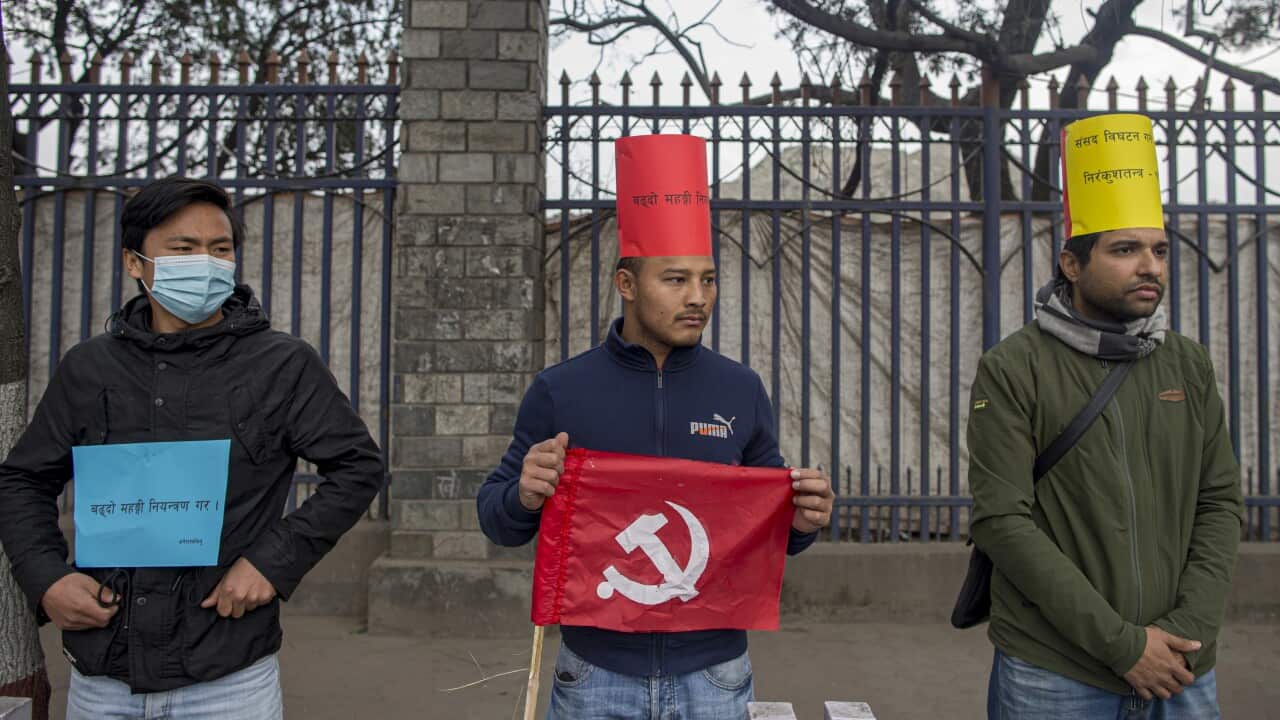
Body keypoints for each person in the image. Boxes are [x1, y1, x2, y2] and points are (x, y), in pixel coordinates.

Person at [477, 133, 834, 719]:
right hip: (595, 675)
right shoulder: (561, 390)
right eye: (675, 280)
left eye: (708, 279)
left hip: (715, 674)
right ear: (627, 285)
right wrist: (523, 493)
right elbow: (496, 519)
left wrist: (803, 517)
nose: (698, 298)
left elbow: (772, 532)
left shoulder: (739, 389)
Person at [0, 177, 385, 719]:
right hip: (102, 675)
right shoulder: (89, 368)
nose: (205, 262)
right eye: (183, 249)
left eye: (219, 249)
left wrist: (271, 564)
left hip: (229, 677)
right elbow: (24, 479)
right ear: (136, 263)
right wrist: (47, 578)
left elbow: (357, 468)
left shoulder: (282, 365)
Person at [968, 113, 1243, 719]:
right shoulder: (1014, 367)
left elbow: (1219, 501)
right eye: (1125, 250)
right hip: (1056, 672)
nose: (1150, 265)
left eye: (1159, 249)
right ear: (1072, 264)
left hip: (1182, 667)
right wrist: (1123, 647)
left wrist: (1185, 632)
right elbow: (1002, 522)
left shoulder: (1187, 364)